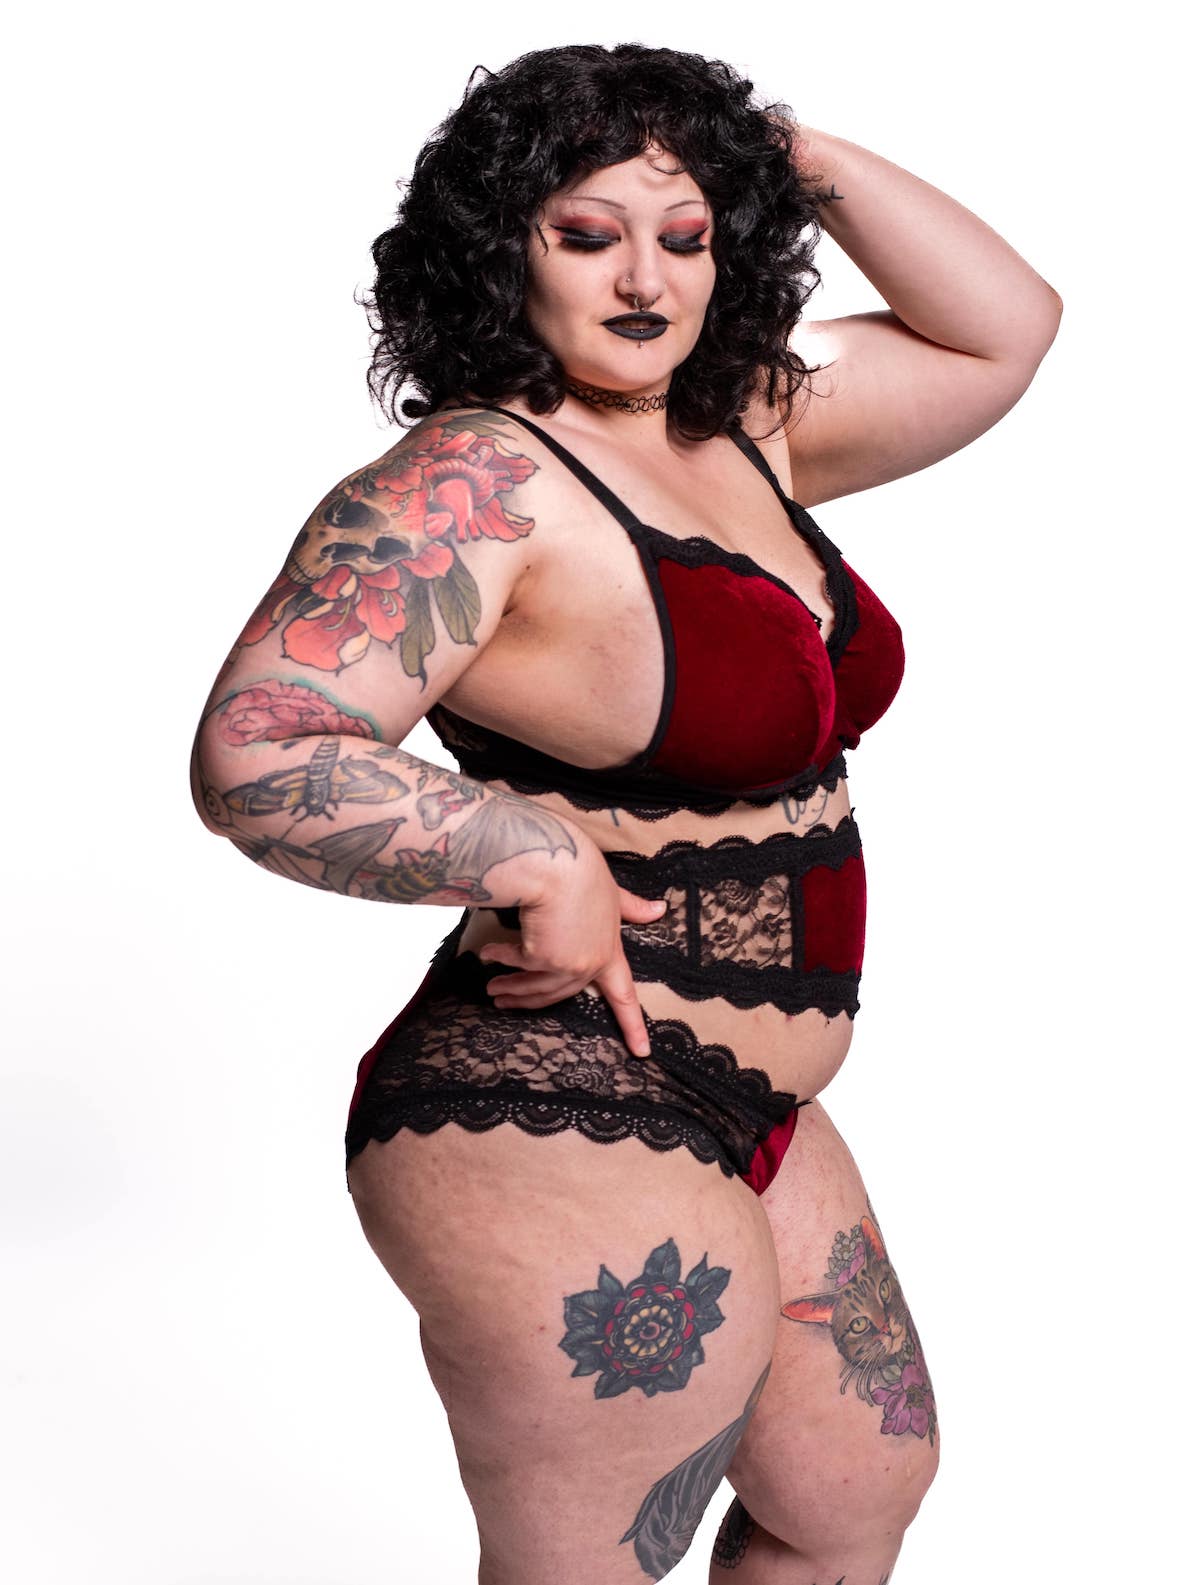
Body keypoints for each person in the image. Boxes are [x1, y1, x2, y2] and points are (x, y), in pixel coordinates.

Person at [190, 42, 1060, 1585]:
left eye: (687, 233)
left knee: (854, 1490)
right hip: (552, 1090)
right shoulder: (477, 482)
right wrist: (525, 848)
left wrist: (760, 144)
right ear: (502, 248)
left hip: (752, 1094)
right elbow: (258, 744)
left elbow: (1004, 331)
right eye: (588, 233)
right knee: (592, 1556)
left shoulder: (743, 426)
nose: (646, 280)